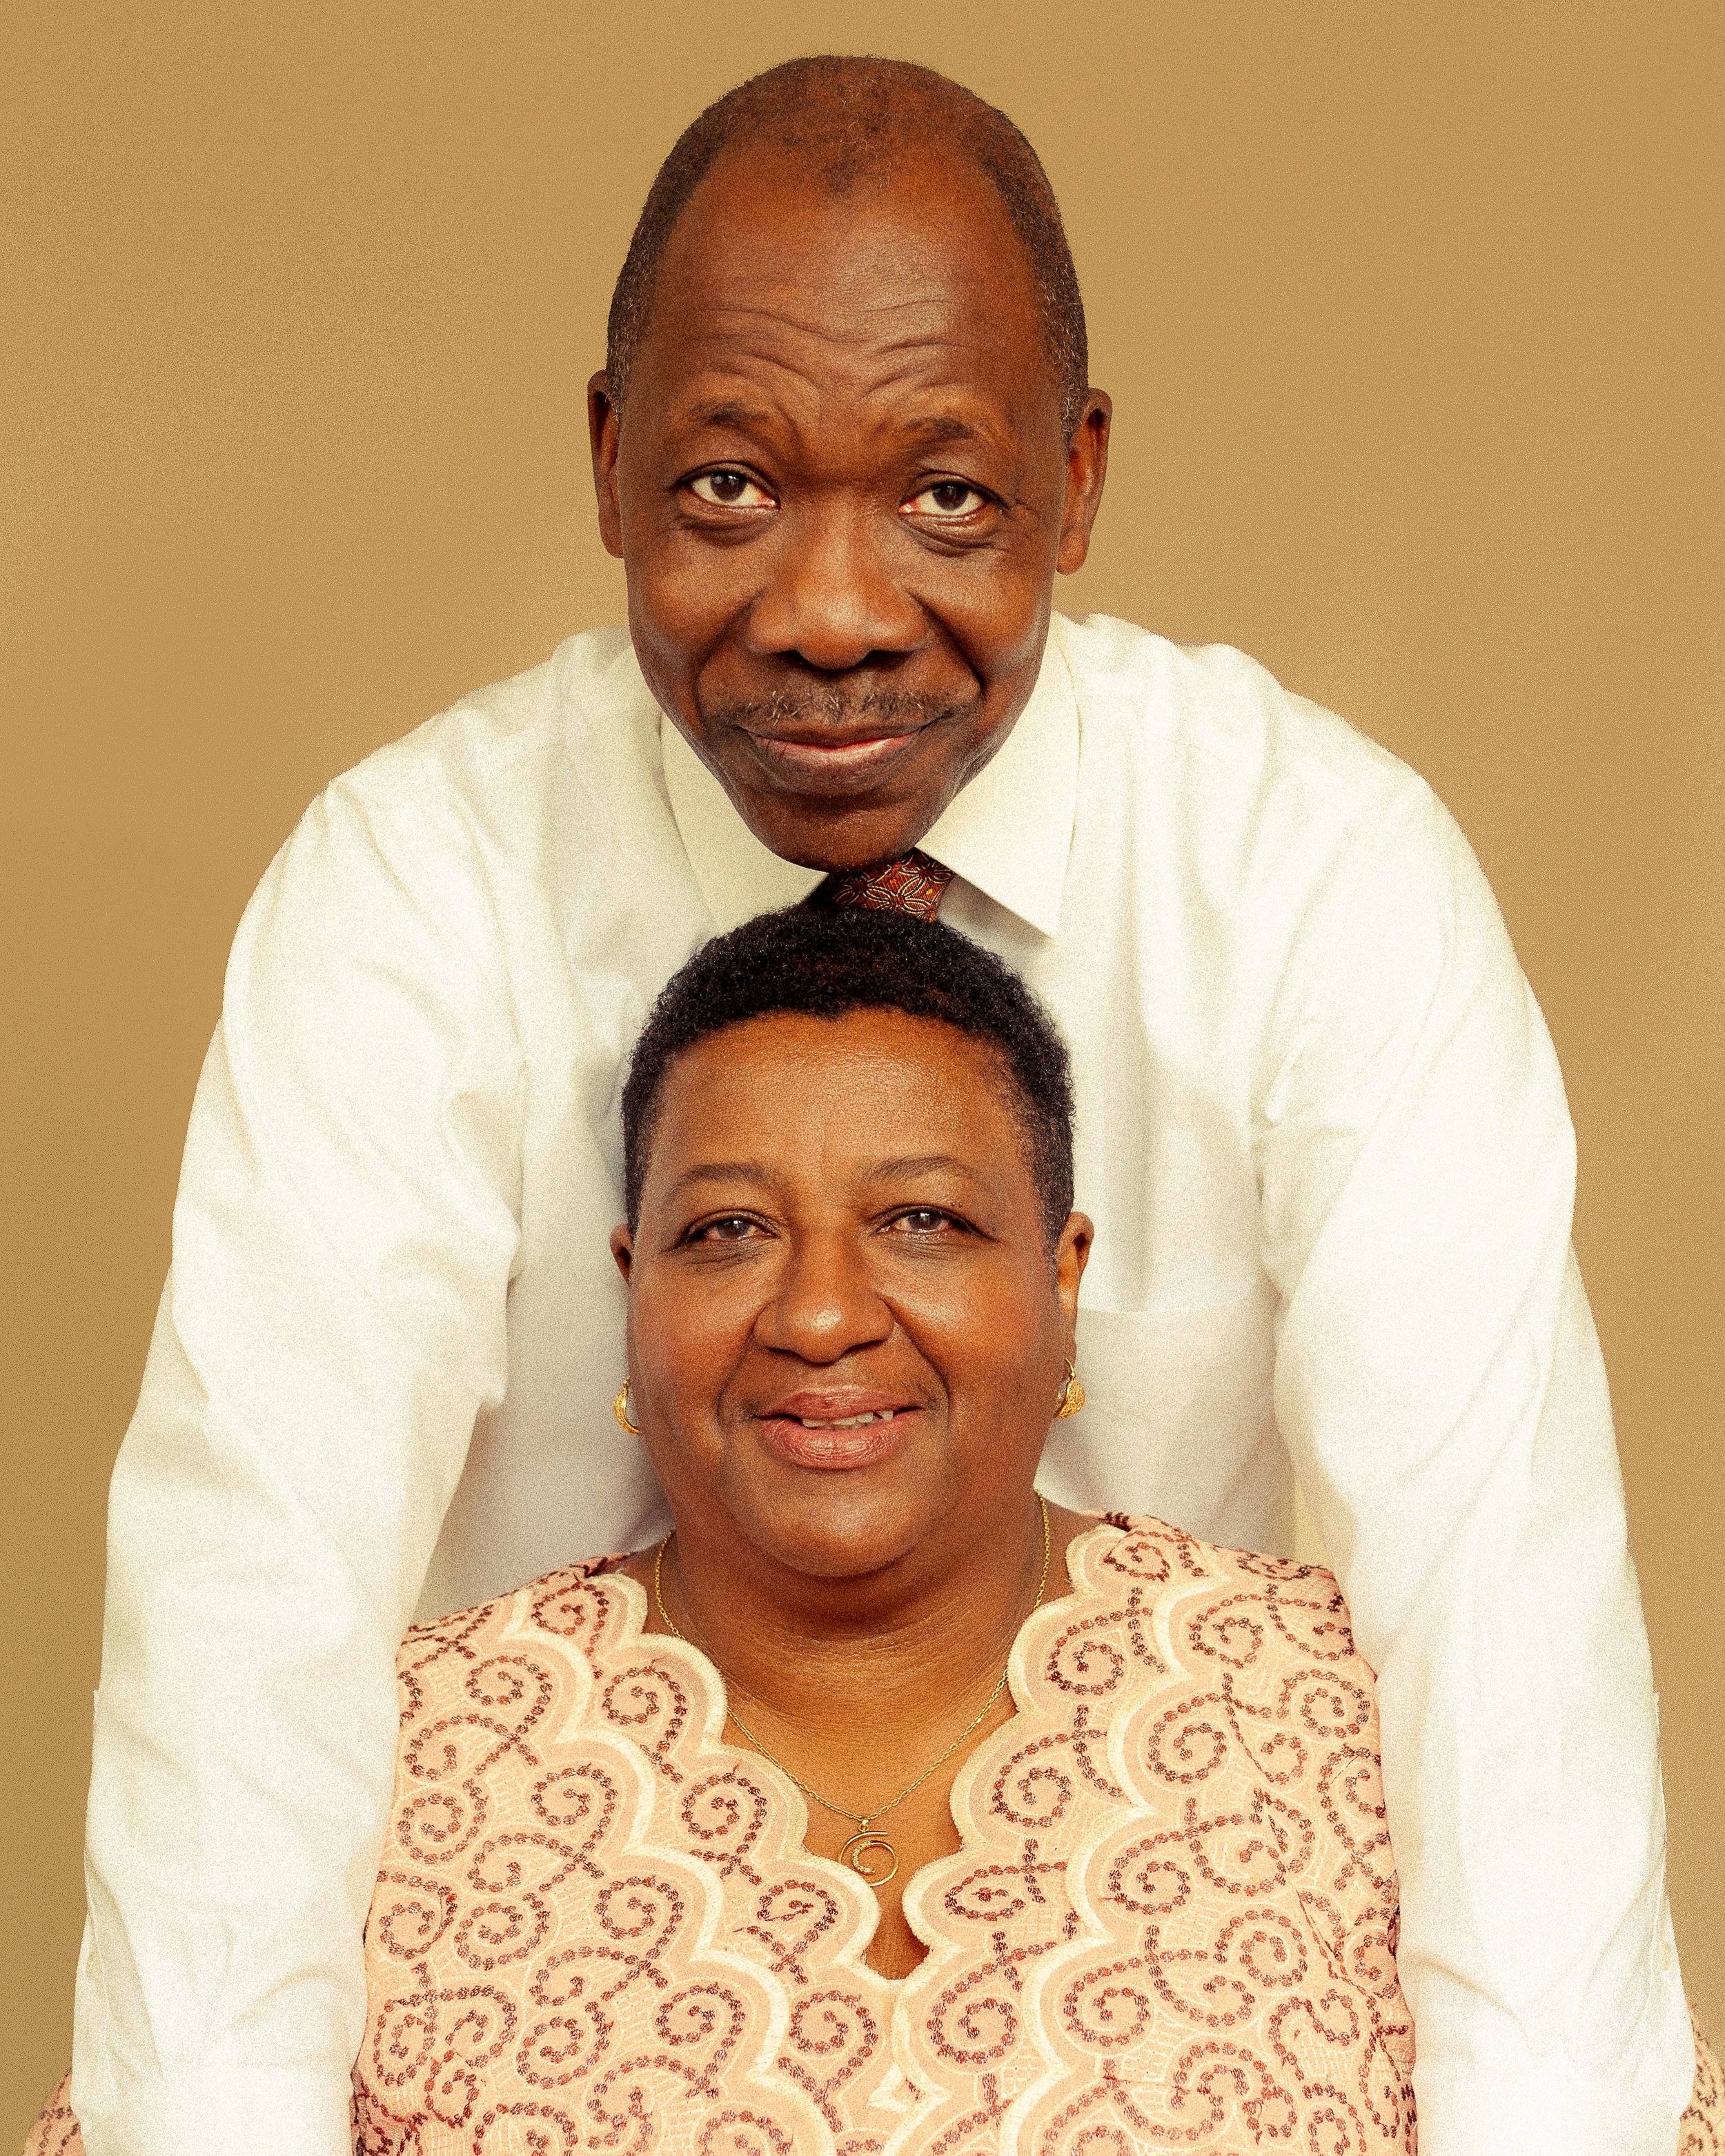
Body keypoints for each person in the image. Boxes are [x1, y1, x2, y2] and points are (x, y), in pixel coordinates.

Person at [70, 52, 1693, 2156]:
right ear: (603, 459)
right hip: (536, 2012)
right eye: (727, 488)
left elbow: (1502, 1622)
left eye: (946, 497)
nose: (829, 615)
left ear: (1078, 479)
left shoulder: (1318, 871)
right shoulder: (412, 884)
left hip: (1155, 2017)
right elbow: (244, 1612)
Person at [34, 909, 1722, 2154]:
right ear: (631, 1291)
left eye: (920, 1219)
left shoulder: (1345, 1713)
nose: (821, 1312)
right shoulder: (383, 1763)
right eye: (726, 1231)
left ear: (1059, 1278)